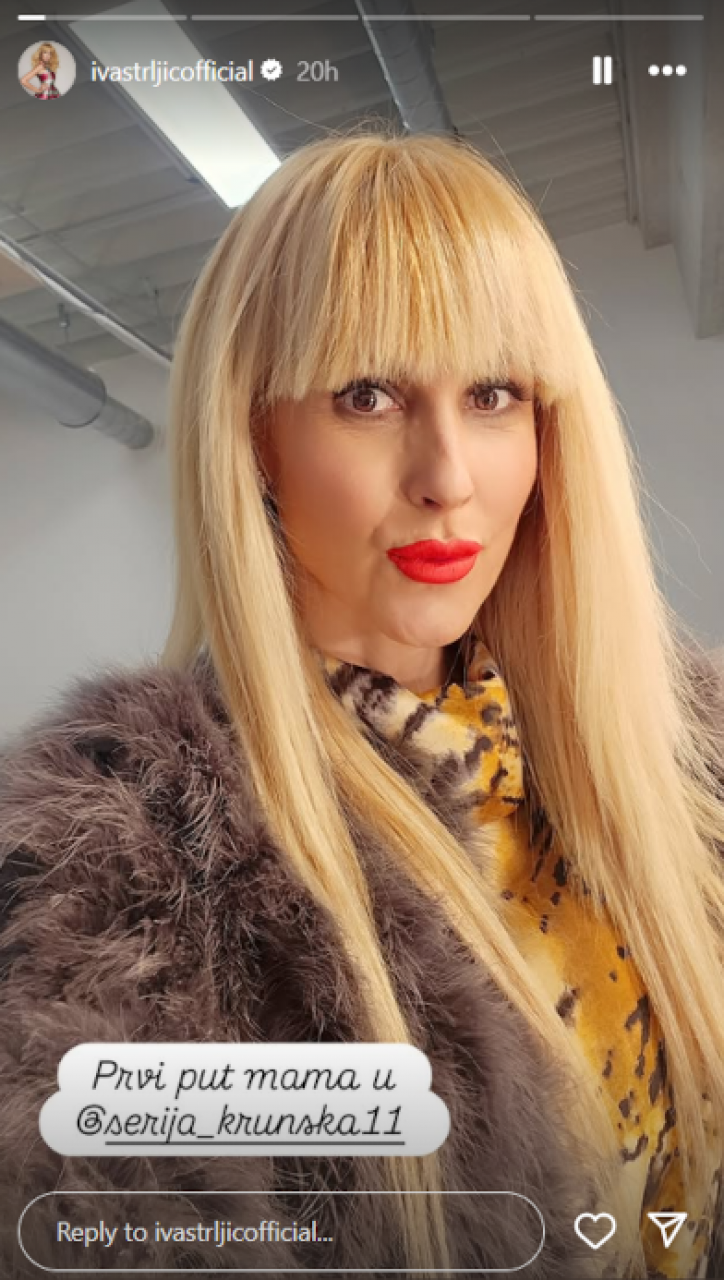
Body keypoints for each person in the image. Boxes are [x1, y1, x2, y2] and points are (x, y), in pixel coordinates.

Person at [1, 130, 724, 1280]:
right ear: (256, 436)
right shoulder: (135, 865)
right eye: (368, 394)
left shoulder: (678, 752)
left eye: (492, 393)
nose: (447, 475)